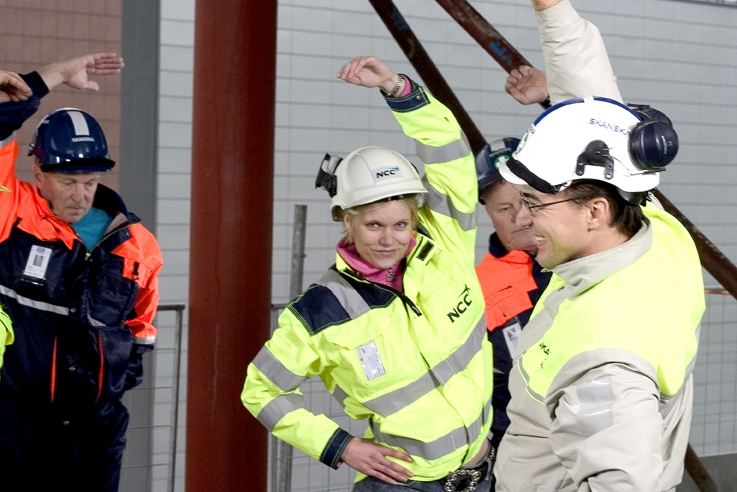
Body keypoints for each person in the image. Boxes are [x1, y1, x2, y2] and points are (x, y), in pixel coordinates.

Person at [242, 55, 494, 491]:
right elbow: (261, 391)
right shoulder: (320, 311)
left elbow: (449, 152)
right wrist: (341, 446)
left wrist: (399, 89)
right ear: (347, 220)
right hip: (401, 484)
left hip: (482, 473)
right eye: (373, 225)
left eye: (401, 224)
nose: (389, 239)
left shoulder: (447, 244)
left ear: (415, 218)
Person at [492, 1, 706, 490]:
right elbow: (594, 102)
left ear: (594, 211)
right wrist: (552, 9)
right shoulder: (654, 230)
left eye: (534, 203)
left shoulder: (603, 358)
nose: (521, 221)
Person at [0, 53, 163, 492]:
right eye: (68, 182)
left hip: (93, 436)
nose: (81, 195)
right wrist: (49, 78)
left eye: (90, 182)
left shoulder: (136, 246)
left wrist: (110, 387)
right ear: (38, 172)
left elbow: (141, 332)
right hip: (13, 428)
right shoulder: (11, 214)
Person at [474, 138, 551, 455]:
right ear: (487, 210)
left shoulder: (583, 260)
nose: (522, 219)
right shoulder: (476, 288)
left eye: (528, 201)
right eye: (505, 209)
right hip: (518, 448)